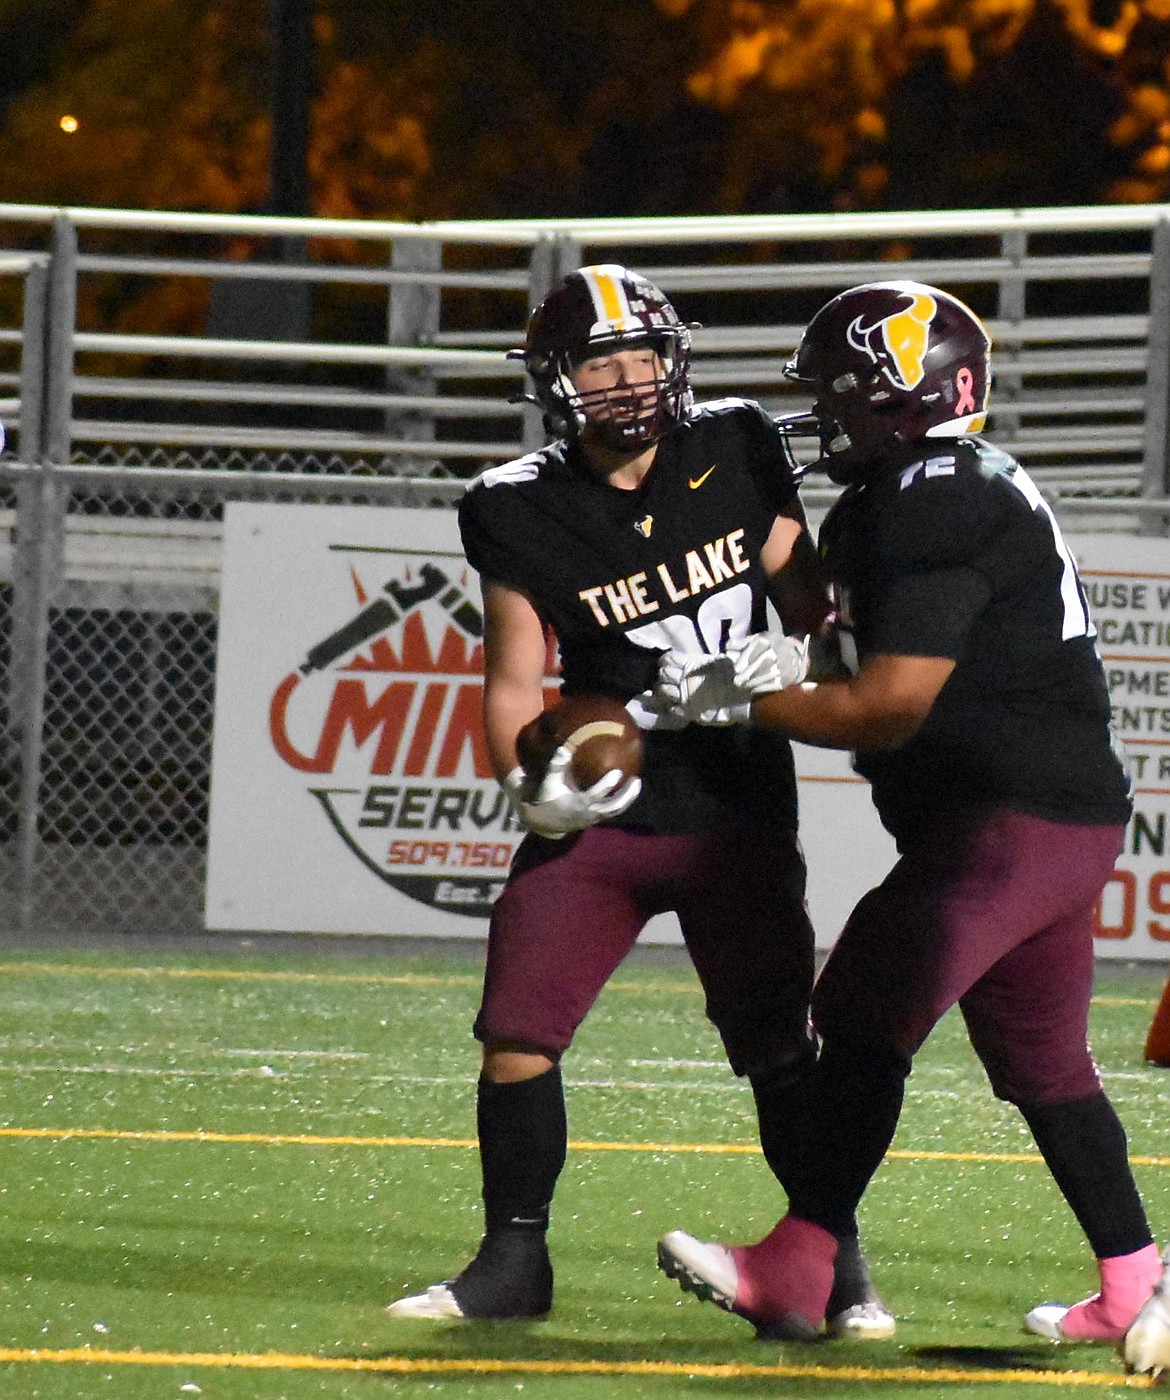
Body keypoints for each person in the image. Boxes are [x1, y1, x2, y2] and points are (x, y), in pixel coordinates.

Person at [385, 263, 893, 1338]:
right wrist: (531, 789)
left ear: (676, 358)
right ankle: (513, 1259)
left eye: (642, 354)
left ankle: (833, 1261)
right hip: (609, 800)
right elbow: (513, 677)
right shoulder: (516, 504)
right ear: (556, 380)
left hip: (734, 797)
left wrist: (789, 658)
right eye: (600, 361)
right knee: (518, 1029)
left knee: (776, 1042)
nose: (626, 378)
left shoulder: (737, 442)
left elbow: (811, 604)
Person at [654, 279, 1163, 1345]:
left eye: (837, 392)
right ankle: (1135, 1288)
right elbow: (861, 658)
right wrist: (767, 667)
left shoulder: (930, 498)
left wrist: (745, 700)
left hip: (1010, 819)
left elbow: (888, 705)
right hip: (1049, 817)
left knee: (862, 1006)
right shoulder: (938, 484)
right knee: (1045, 1064)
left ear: (899, 396)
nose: (821, 414)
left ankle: (794, 1267)